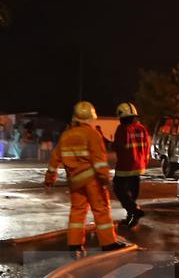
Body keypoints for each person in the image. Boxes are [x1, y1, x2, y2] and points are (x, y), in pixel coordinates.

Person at [44, 102, 128, 253]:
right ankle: (108, 243)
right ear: (90, 117)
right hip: (92, 180)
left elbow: (54, 159)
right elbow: (99, 161)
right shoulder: (93, 134)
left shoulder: (66, 135)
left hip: (75, 181)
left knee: (77, 211)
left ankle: (74, 244)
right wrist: (105, 179)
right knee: (101, 209)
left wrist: (50, 179)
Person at [112, 102, 151, 228]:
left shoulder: (122, 129)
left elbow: (118, 147)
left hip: (125, 166)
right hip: (139, 166)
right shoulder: (142, 129)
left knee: (119, 189)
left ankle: (134, 210)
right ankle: (131, 219)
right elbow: (147, 146)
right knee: (132, 194)